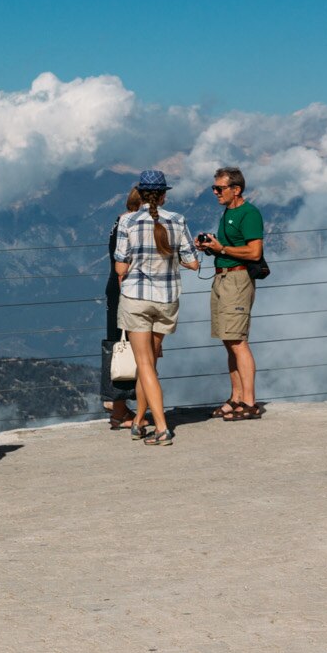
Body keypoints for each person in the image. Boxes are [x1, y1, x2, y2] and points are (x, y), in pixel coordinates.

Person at [112, 170, 197, 446]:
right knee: (151, 363)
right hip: (167, 299)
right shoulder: (178, 220)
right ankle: (138, 422)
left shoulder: (128, 221)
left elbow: (121, 266)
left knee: (144, 364)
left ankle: (161, 427)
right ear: (163, 195)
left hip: (136, 298)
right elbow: (192, 262)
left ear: (140, 193)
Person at [196, 166, 266, 420]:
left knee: (238, 341)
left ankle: (249, 402)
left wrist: (222, 249)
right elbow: (229, 247)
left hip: (237, 279)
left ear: (236, 189)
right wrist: (211, 247)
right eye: (213, 188)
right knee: (229, 341)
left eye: (219, 188)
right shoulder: (228, 212)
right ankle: (236, 397)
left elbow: (254, 252)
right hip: (222, 278)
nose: (215, 192)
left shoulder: (249, 214)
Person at [101, 190, 145, 430]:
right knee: (124, 348)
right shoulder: (128, 225)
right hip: (125, 294)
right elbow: (123, 268)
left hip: (117, 293)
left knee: (120, 347)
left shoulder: (119, 223)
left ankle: (122, 409)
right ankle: (120, 410)